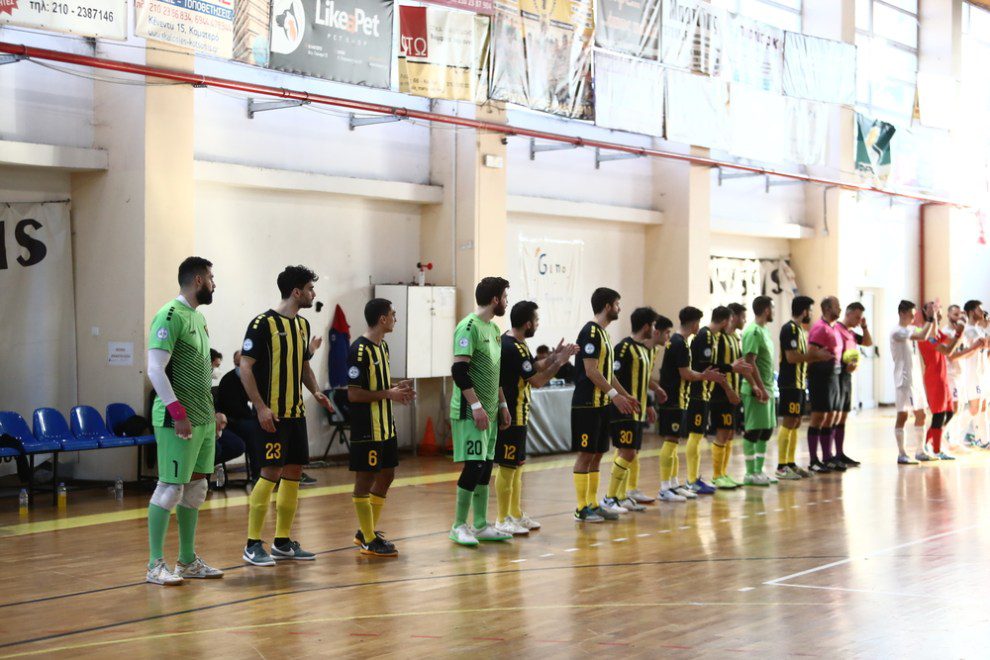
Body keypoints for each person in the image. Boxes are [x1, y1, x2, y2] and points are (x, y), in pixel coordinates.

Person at [239, 265, 333, 566]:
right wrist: (261, 407)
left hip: (296, 414)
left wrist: (316, 391)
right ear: (296, 292)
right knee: (270, 475)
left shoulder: (303, 326)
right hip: (273, 416)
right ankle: (252, 544)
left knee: (292, 475)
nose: (313, 294)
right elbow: (246, 367)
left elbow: (303, 365)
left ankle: (282, 541)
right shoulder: (262, 323)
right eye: (309, 289)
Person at [144, 256, 224, 585]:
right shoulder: (170, 315)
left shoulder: (198, 318)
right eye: (211, 278)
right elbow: (155, 370)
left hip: (202, 420)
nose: (214, 283)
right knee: (169, 489)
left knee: (196, 488)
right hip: (177, 421)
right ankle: (154, 565)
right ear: (198, 281)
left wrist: (212, 414)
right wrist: (178, 412)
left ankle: (187, 561)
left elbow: (199, 372)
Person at [494, 301, 578, 535]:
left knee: (518, 467)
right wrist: (560, 363)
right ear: (528, 323)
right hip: (510, 414)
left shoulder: (518, 344)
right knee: (508, 466)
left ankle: (515, 513)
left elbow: (532, 367)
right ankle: (502, 519)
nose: (538, 325)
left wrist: (553, 356)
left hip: (521, 413)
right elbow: (538, 381)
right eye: (537, 321)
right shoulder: (510, 346)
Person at [347, 298, 416, 557]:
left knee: (387, 475)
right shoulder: (359, 350)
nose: (395, 318)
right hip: (368, 428)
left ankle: (366, 531)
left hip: (386, 426)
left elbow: (381, 388)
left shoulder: (383, 347)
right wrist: (390, 393)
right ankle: (367, 539)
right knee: (364, 480)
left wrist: (397, 389)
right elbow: (354, 394)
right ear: (382, 319)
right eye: (393, 314)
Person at [448, 277, 514, 546]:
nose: (507, 302)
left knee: (486, 467)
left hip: (490, 412)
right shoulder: (469, 327)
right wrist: (476, 406)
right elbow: (459, 370)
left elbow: (494, 371)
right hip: (470, 411)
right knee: (474, 466)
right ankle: (458, 525)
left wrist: (502, 405)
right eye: (505, 297)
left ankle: (480, 524)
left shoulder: (495, 329)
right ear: (495, 300)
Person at [570, 288, 639, 522]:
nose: (620, 308)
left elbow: (608, 373)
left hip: (600, 404)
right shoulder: (590, 332)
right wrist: (614, 396)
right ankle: (581, 508)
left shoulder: (605, 334)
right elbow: (591, 371)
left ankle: (593, 503)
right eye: (618, 304)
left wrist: (626, 395)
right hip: (587, 404)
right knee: (586, 454)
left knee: (598, 454)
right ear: (608, 306)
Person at [656, 307, 725, 502]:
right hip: (674, 399)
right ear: (694, 323)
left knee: (674, 441)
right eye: (698, 322)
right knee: (670, 441)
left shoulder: (676, 342)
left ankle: (673, 483)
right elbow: (685, 373)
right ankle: (664, 487)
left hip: (678, 398)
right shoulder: (680, 343)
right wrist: (705, 376)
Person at [602, 307, 667, 513]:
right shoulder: (624, 348)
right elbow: (616, 378)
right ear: (647, 326)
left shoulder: (644, 350)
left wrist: (648, 402)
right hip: (623, 410)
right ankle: (610, 497)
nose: (655, 330)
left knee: (631, 451)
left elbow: (642, 379)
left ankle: (621, 495)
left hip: (637, 410)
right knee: (627, 451)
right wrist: (620, 400)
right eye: (654, 326)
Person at [685, 306, 749, 495]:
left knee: (728, 433)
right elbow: (708, 366)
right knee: (702, 435)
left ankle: (719, 473)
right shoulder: (708, 336)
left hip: (709, 391)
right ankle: (702, 477)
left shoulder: (720, 337)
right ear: (726, 320)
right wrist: (729, 380)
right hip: (708, 393)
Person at [776, 296, 829, 480]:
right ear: (804, 310)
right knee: (789, 421)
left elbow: (802, 356)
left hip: (798, 383)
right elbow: (791, 357)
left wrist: (815, 357)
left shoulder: (800, 330)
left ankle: (790, 463)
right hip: (789, 382)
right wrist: (816, 356)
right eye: (810, 310)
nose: (811, 314)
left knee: (797, 421)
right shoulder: (789, 329)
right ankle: (781, 466)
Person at [917, 302, 965, 461]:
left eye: (938, 308)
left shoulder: (937, 333)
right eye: (933, 308)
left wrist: (959, 331)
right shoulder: (925, 335)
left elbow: (951, 340)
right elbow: (948, 350)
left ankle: (927, 442)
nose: (938, 311)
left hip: (944, 378)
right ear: (926, 312)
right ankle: (936, 450)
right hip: (934, 379)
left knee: (950, 413)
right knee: (939, 415)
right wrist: (959, 335)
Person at [710, 303, 751, 489]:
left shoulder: (736, 338)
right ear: (733, 318)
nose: (745, 321)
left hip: (733, 392)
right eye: (743, 317)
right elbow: (717, 366)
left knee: (730, 434)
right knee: (722, 432)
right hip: (721, 393)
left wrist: (752, 385)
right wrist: (728, 389)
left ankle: (724, 473)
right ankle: (717, 475)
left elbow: (740, 365)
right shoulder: (718, 338)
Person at [890, 300, 933, 464]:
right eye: (911, 314)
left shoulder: (911, 329)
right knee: (903, 415)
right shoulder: (897, 331)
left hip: (916, 379)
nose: (914, 318)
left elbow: (928, 335)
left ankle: (920, 451)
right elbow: (922, 335)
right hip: (904, 380)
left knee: (921, 413)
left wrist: (933, 317)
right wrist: (928, 319)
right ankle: (902, 453)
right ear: (902, 312)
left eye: (915, 315)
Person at [806, 296, 845, 473]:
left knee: (831, 416)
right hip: (820, 376)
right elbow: (811, 352)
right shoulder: (819, 328)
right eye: (837, 306)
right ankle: (814, 459)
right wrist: (820, 356)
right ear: (828, 308)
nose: (840, 308)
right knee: (818, 417)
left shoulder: (834, 328)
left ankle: (827, 457)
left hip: (834, 375)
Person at [833, 302, 874, 467]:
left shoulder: (851, 332)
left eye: (861, 318)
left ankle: (840, 452)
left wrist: (864, 327)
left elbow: (868, 342)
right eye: (857, 317)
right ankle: (831, 455)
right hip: (836, 376)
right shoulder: (836, 329)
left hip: (847, 378)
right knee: (834, 417)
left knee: (843, 416)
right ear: (848, 314)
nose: (858, 320)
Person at [739, 296, 774, 486]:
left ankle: (759, 470)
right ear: (767, 310)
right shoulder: (752, 331)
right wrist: (758, 387)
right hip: (756, 389)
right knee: (753, 430)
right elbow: (750, 361)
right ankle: (750, 473)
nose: (773, 312)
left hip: (768, 387)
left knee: (766, 431)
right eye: (772, 308)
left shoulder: (764, 330)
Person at [954, 300, 988, 448]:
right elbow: (964, 352)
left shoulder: (980, 330)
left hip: (982, 373)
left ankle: (982, 439)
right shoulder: (968, 331)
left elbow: (985, 350)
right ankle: (952, 432)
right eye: (979, 309)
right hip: (972, 374)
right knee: (974, 408)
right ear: (972, 311)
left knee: (983, 407)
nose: (982, 312)